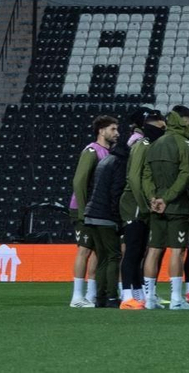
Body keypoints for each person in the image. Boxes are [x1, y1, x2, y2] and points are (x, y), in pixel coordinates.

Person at [142, 105, 189, 311]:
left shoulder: (153, 145)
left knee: (153, 250)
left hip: (156, 207)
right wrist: (167, 198)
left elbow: (146, 175)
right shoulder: (184, 145)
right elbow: (185, 175)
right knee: (176, 252)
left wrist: (153, 198)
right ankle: (176, 298)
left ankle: (149, 298)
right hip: (177, 206)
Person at [69, 114, 118, 307]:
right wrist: (83, 211)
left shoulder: (107, 152)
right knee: (84, 250)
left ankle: (91, 294)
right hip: (84, 210)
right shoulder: (91, 150)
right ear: (101, 130)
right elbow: (79, 181)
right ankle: (77, 296)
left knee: (99, 251)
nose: (117, 133)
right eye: (113, 129)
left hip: (95, 211)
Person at [121, 108, 165, 309]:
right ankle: (126, 296)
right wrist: (143, 204)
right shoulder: (143, 145)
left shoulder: (149, 144)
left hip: (140, 205)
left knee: (139, 252)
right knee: (132, 251)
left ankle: (138, 295)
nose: (162, 126)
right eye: (159, 123)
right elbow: (133, 178)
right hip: (134, 205)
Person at [82, 128, 131, 308]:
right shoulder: (119, 163)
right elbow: (116, 192)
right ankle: (111, 296)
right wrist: (118, 220)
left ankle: (100, 298)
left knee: (102, 256)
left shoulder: (105, 160)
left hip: (91, 214)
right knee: (113, 256)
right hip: (105, 216)